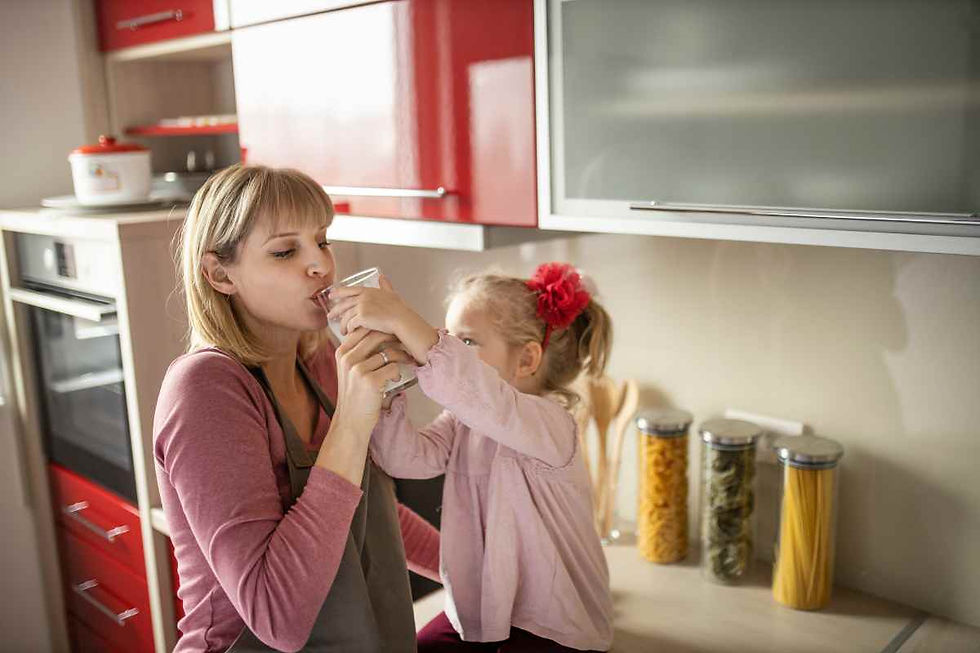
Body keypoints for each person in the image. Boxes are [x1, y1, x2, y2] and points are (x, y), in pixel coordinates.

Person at [153, 164, 440, 653]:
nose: (320, 265)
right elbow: (277, 617)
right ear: (220, 274)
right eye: (285, 251)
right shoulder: (205, 389)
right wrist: (353, 420)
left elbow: (364, 512)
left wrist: (475, 573)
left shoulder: (320, 358)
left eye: (322, 241)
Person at [327, 262, 615, 652]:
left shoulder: (552, 426)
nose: (446, 347)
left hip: (556, 623)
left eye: (465, 342)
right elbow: (406, 460)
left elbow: (485, 399)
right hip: (486, 609)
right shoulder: (462, 422)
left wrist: (403, 319)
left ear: (527, 360)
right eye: (447, 337)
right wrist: (389, 388)